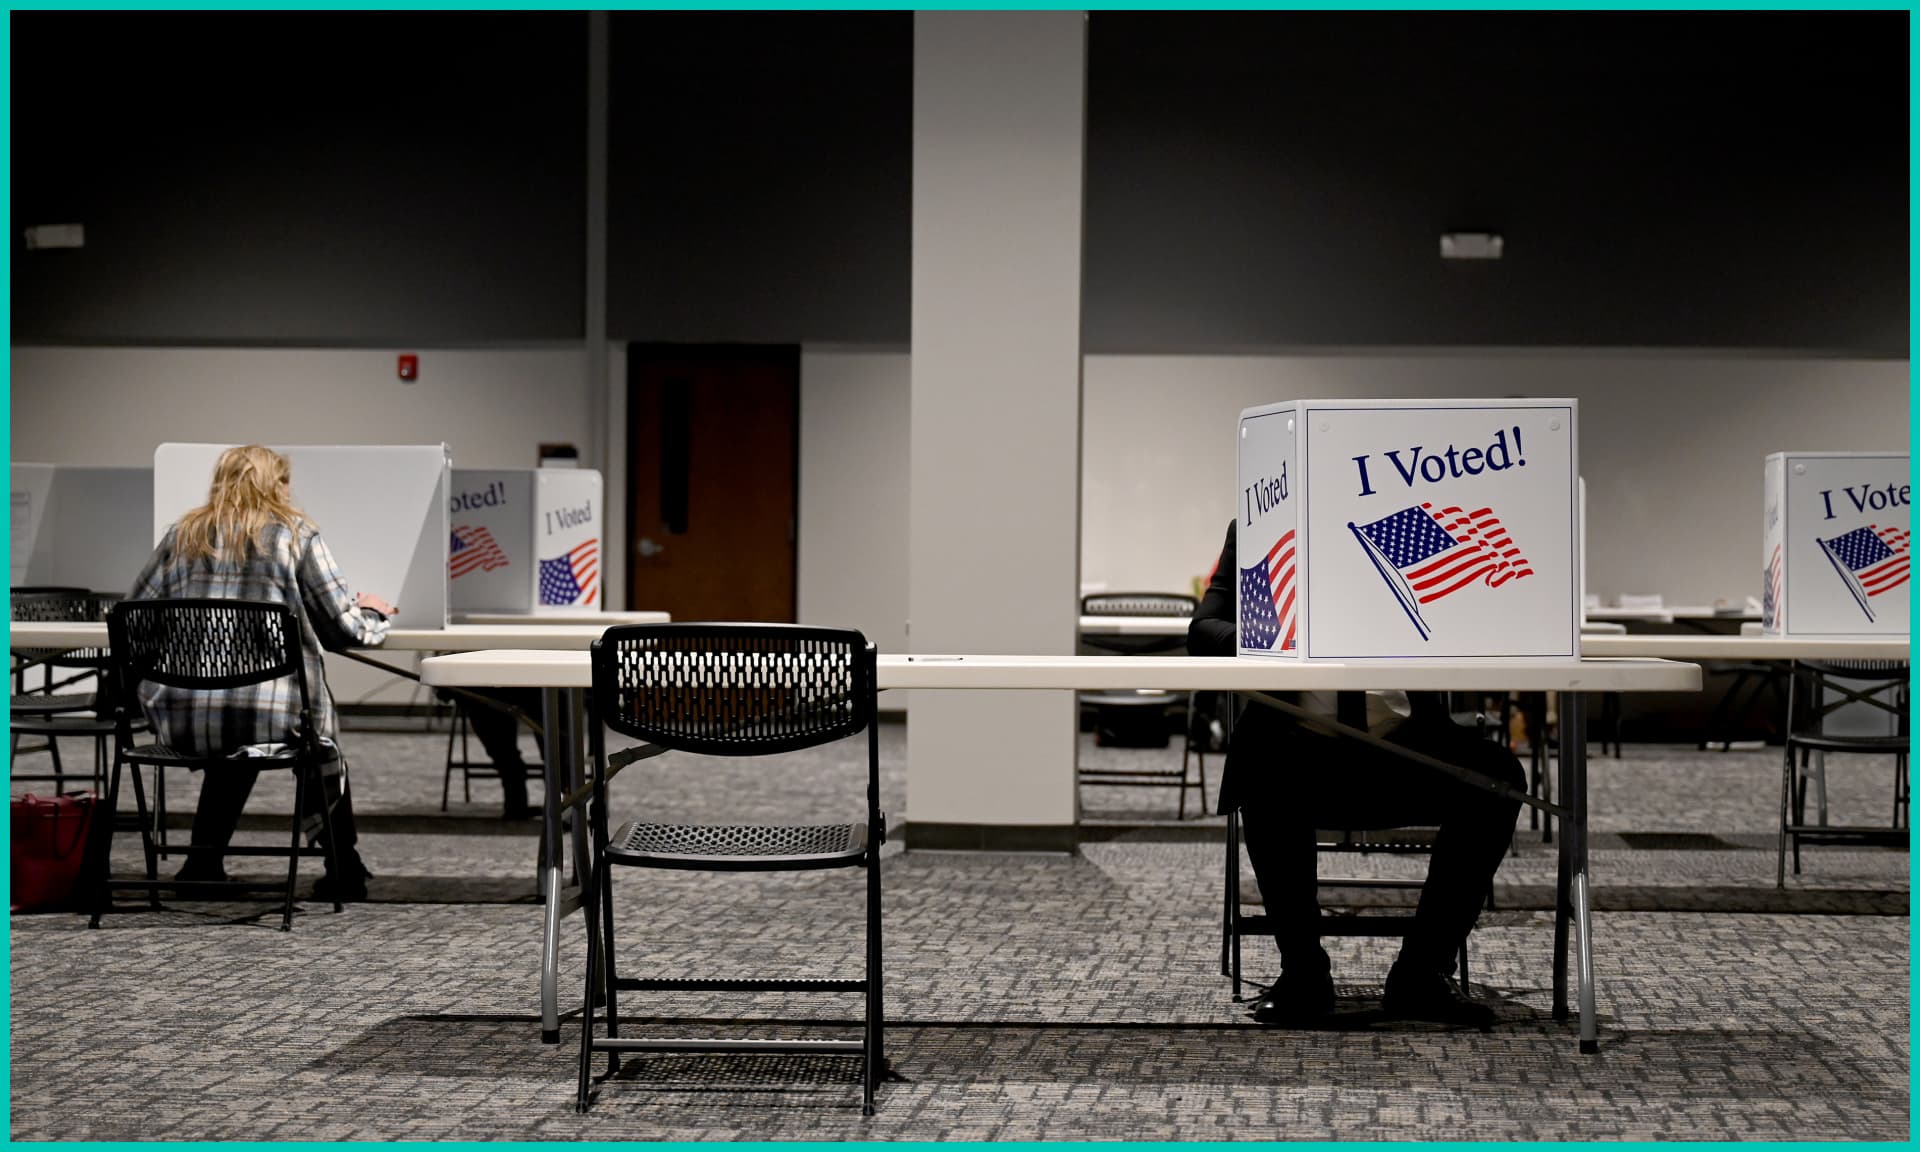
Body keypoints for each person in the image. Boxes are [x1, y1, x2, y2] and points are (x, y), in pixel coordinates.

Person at [1189, 519, 1525, 1028]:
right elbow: (1203, 631)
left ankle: (1422, 973)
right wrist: (1286, 637)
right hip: (1297, 752)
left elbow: (1477, 611)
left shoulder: (1408, 519)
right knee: (1264, 772)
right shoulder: (1263, 526)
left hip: (1406, 751)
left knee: (1497, 777)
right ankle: (1303, 974)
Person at [127, 445, 395, 902]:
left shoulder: (182, 535)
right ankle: (342, 866)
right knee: (307, 736)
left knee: (238, 726)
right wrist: (374, 614)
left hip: (181, 720)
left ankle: (202, 862)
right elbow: (341, 627)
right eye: (286, 481)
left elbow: (137, 619)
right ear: (275, 484)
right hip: (271, 716)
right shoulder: (296, 536)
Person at [444, 688, 541, 820]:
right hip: (483, 696)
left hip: (499, 693)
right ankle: (518, 807)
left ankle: (520, 806)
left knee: (509, 758)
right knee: (508, 758)